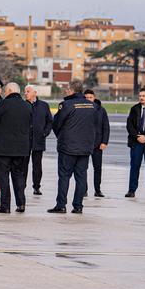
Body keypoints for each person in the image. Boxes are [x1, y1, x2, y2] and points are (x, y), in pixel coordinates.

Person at [49, 79, 101, 214]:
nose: (66, 91)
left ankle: (61, 205)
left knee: (64, 176)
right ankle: (78, 206)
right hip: (85, 147)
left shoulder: (66, 105)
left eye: (67, 88)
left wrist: (61, 137)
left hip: (68, 147)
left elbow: (56, 124)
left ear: (71, 90)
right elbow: (95, 126)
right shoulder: (93, 106)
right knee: (81, 177)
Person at [0, 82, 32, 214]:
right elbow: (30, 125)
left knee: (3, 177)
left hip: (3, 148)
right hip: (21, 148)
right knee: (19, 176)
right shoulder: (27, 106)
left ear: (8, 91)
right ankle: (21, 203)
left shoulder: (2, 105)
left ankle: (5, 205)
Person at [24, 85, 53, 195]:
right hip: (25, 140)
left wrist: (45, 133)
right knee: (23, 165)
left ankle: (36, 187)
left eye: (28, 91)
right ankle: (21, 185)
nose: (25, 93)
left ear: (35, 93)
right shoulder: (23, 105)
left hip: (38, 140)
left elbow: (49, 121)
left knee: (37, 166)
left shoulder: (44, 105)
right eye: (25, 91)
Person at [84, 89, 109, 198]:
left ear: (94, 98)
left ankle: (97, 190)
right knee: (82, 168)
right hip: (84, 144)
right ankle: (83, 190)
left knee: (97, 168)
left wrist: (104, 142)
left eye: (90, 97)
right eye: (86, 97)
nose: (88, 99)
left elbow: (106, 127)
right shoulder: (80, 109)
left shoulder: (101, 110)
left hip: (97, 144)